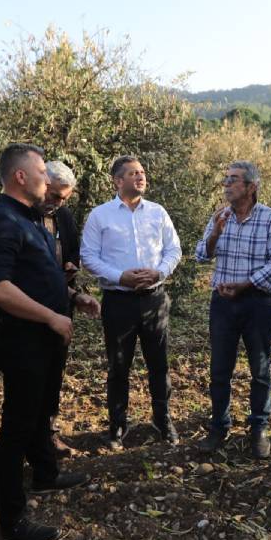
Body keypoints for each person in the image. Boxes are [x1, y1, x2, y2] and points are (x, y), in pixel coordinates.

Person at [0, 144, 98, 540]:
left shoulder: (33, 219)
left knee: (42, 410)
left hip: (47, 338)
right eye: (42, 171)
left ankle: (45, 474)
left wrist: (73, 298)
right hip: (24, 340)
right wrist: (49, 316)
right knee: (16, 428)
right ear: (20, 177)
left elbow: (41, 278)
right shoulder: (0, 221)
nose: (49, 178)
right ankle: (12, 517)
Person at [80, 155, 182, 449]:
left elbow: (173, 249)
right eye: (133, 173)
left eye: (142, 172)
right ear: (117, 181)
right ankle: (117, 427)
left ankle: (163, 421)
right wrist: (120, 276)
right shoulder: (100, 215)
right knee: (118, 366)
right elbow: (89, 256)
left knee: (159, 364)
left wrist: (159, 272)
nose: (140, 177)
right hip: (118, 302)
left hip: (155, 301)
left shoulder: (158, 212)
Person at [194, 161, 271, 459]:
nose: (227, 185)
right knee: (220, 369)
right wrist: (215, 234)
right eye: (226, 179)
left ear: (251, 187)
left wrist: (246, 284)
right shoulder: (220, 217)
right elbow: (201, 255)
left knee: (260, 369)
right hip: (223, 304)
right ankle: (219, 427)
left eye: (234, 180)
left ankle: (259, 427)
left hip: (257, 303)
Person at [41, 160, 83, 457]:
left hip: (61, 306)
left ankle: (49, 433)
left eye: (63, 199)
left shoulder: (63, 216)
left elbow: (74, 252)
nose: (57, 203)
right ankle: (34, 438)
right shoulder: (20, 217)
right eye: (54, 196)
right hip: (30, 311)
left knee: (55, 371)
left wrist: (70, 267)